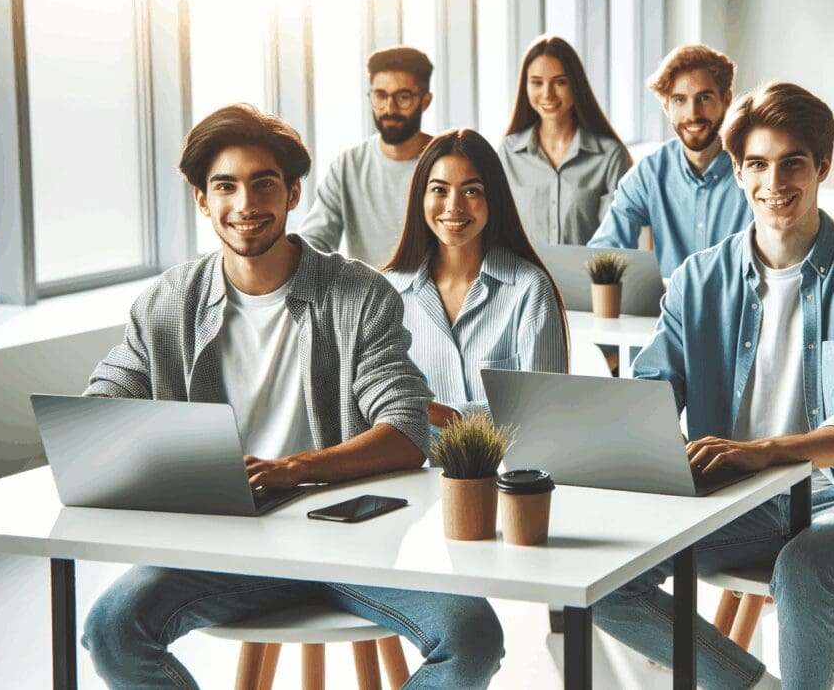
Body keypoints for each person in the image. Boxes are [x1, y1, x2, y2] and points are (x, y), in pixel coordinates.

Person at [80, 104, 503, 689]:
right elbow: (106, 396)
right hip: (227, 548)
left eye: (264, 183)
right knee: (110, 627)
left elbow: (407, 430)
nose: (246, 204)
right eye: (225, 186)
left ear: (294, 192)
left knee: (472, 636)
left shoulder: (360, 294)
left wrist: (291, 469)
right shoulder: (168, 300)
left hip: (355, 542)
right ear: (203, 200)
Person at [592, 82, 834, 689]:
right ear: (737, 170)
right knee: (604, 579)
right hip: (735, 499)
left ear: (823, 167)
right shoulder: (698, 279)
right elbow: (652, 388)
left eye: (792, 164)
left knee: (805, 571)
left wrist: (765, 453)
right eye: (757, 164)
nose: (773, 182)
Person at [383, 128, 568, 426]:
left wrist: (448, 416)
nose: (454, 207)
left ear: (493, 199)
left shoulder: (529, 289)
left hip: (507, 471)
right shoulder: (387, 293)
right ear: (421, 196)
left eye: (471, 191)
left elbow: (544, 412)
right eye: (439, 190)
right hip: (412, 471)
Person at [588, 44, 752, 277]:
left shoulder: (754, 170)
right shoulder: (650, 173)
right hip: (669, 310)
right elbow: (604, 253)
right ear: (666, 106)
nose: (693, 114)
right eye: (679, 100)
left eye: (704, 98)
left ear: (726, 100)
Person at [300, 46, 434, 266]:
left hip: (437, 297)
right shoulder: (347, 166)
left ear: (425, 101)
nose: (390, 108)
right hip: (368, 298)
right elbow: (316, 241)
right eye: (380, 95)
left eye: (403, 97)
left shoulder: (447, 163)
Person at [498, 35, 631, 245]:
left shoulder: (609, 156)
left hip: (586, 278)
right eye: (537, 83)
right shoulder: (508, 152)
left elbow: (615, 240)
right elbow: (500, 231)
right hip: (522, 278)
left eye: (560, 82)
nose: (547, 94)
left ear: (576, 85)